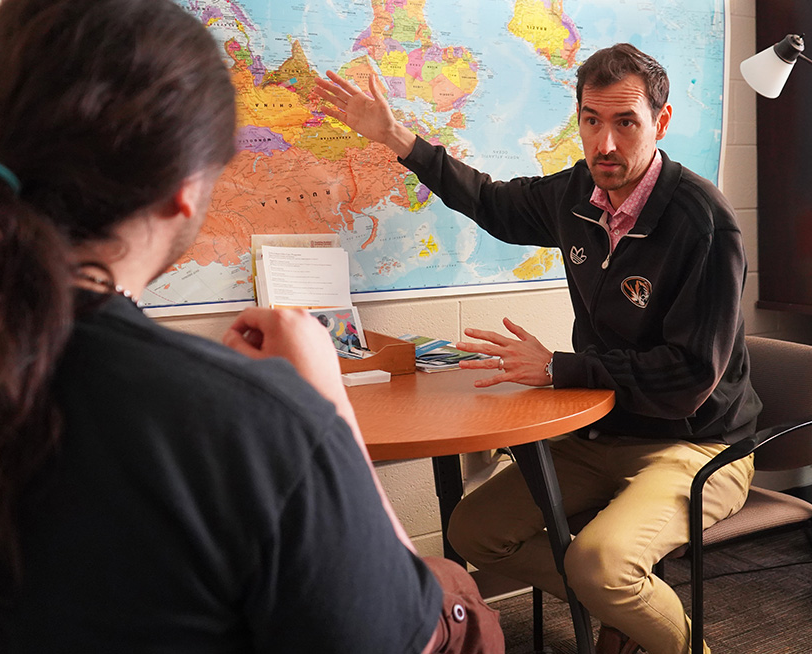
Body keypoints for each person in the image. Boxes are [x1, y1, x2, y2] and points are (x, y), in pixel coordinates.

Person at [0, 0, 502, 654]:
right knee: (460, 602)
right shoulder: (249, 425)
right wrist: (327, 410)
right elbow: (394, 638)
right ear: (185, 192)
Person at [313, 43, 762, 654]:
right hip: (602, 429)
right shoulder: (579, 195)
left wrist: (558, 368)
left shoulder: (701, 220)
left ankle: (641, 615)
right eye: (591, 120)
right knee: (472, 532)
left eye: (625, 122)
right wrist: (400, 140)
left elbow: (687, 377)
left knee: (601, 565)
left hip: (697, 443)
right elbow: (493, 203)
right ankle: (626, 611)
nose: (605, 144)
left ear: (660, 122)